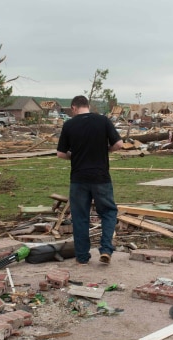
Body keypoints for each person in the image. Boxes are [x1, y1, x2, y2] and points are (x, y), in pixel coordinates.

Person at [56, 95, 123, 265]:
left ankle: (82, 256)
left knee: (80, 216)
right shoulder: (103, 121)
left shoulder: (69, 125)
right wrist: (105, 150)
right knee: (108, 212)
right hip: (101, 177)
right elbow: (119, 144)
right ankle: (106, 249)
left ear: (73, 108)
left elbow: (61, 153)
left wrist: (75, 156)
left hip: (79, 178)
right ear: (88, 105)